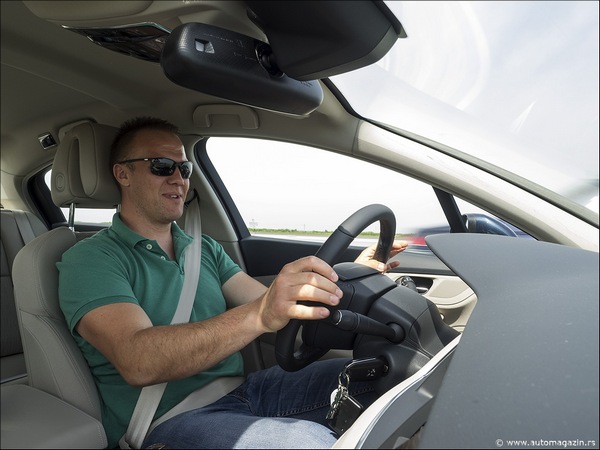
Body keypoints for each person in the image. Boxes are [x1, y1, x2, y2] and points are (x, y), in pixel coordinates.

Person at [58, 116, 408, 449]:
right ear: (123, 174)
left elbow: (270, 302)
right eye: (162, 166)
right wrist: (258, 315)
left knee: (390, 373)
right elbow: (138, 360)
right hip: (167, 420)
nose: (178, 179)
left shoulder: (203, 248)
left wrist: (346, 276)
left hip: (248, 390)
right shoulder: (90, 259)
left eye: (184, 168)